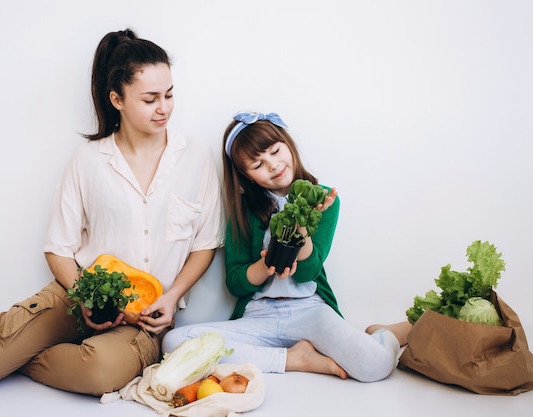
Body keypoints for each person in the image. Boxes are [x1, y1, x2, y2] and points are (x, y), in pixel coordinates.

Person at [0, 29, 224, 396]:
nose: (164, 108)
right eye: (150, 99)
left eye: (169, 95)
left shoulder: (195, 158)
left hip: (144, 321)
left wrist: (172, 297)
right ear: (117, 99)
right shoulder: (87, 160)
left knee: (101, 373)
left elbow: (205, 244)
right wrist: (85, 297)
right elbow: (58, 247)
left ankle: (10, 359)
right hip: (77, 295)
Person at [162, 111, 411, 382]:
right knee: (174, 343)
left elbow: (308, 272)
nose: (272, 165)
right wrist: (266, 265)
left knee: (374, 365)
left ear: (288, 144)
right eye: (257, 164)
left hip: (311, 311)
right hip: (259, 316)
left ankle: (387, 333)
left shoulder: (323, 199)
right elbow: (235, 283)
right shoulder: (242, 210)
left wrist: (303, 224)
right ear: (247, 177)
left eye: (275, 151)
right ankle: (294, 358)